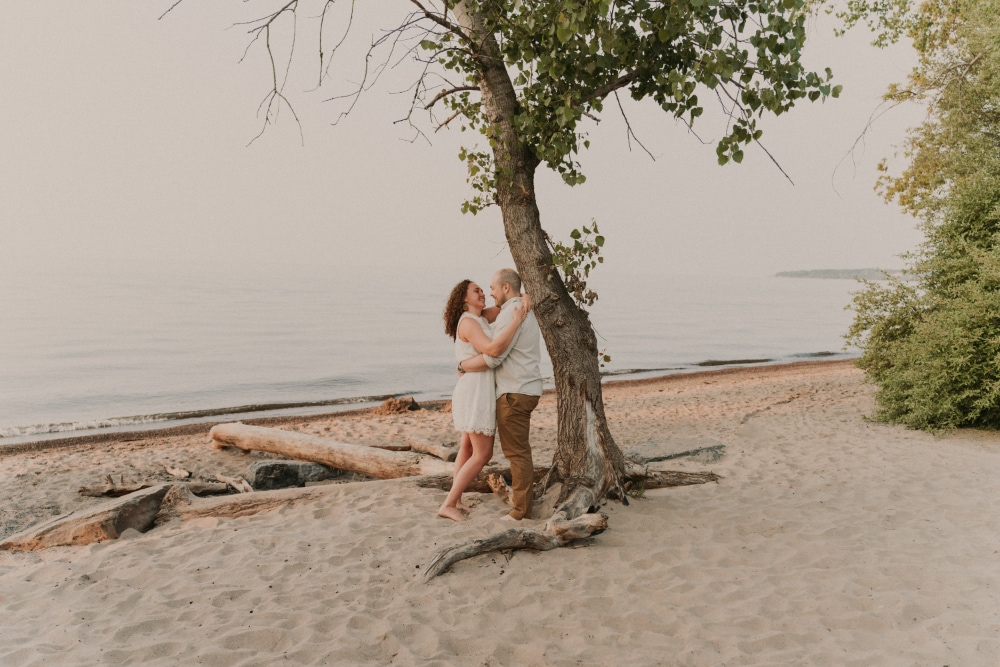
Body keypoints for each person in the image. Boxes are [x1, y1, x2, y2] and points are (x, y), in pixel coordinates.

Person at [440, 279, 528, 522]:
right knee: (482, 454)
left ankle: (456, 499)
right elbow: (492, 349)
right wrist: (517, 321)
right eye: (476, 291)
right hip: (475, 390)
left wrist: (524, 296)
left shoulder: (480, 317)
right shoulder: (468, 322)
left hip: (476, 387)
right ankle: (448, 504)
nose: (482, 293)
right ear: (464, 299)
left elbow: (504, 305)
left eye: (483, 289)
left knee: (467, 447)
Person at [458, 268, 543, 521]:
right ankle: (522, 505)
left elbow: (494, 358)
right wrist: (526, 296)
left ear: (506, 288)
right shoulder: (519, 309)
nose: (490, 293)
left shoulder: (511, 315)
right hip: (524, 388)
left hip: (514, 393)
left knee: (517, 454)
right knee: (518, 452)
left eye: (493, 288)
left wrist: (463, 365)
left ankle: (520, 512)